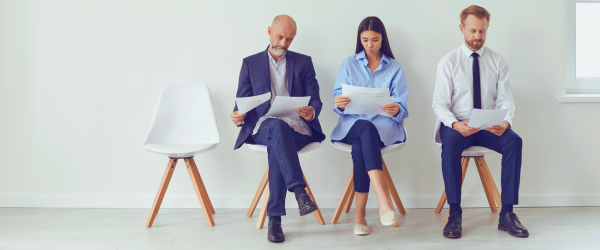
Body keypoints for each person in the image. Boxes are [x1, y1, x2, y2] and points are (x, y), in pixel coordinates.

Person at [432, 5, 529, 239]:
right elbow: (439, 104)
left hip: (488, 125)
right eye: (473, 31)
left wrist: (505, 122)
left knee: (514, 142)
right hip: (459, 125)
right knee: (451, 145)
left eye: (482, 31)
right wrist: (454, 124)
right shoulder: (449, 62)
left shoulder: (497, 61)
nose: (478, 37)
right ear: (462, 29)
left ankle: (507, 214)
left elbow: (506, 101)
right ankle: (454, 213)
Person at [230, 14, 326, 243]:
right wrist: (237, 115)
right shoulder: (250, 63)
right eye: (280, 37)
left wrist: (311, 111)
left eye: (290, 39)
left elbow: (316, 100)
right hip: (264, 127)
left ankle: (275, 219)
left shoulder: (304, 62)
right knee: (275, 127)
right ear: (269, 32)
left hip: (297, 128)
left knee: (278, 140)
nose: (283, 43)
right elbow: (240, 103)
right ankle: (300, 192)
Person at [332, 16, 409, 236]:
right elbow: (338, 100)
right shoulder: (348, 64)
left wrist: (397, 109)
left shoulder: (395, 68)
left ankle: (360, 216)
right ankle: (383, 201)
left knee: (360, 148)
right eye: (365, 40)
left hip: (383, 129)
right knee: (364, 126)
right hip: (351, 126)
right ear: (360, 39)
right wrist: (340, 103)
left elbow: (402, 105)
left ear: (383, 38)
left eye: (375, 39)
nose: (370, 45)